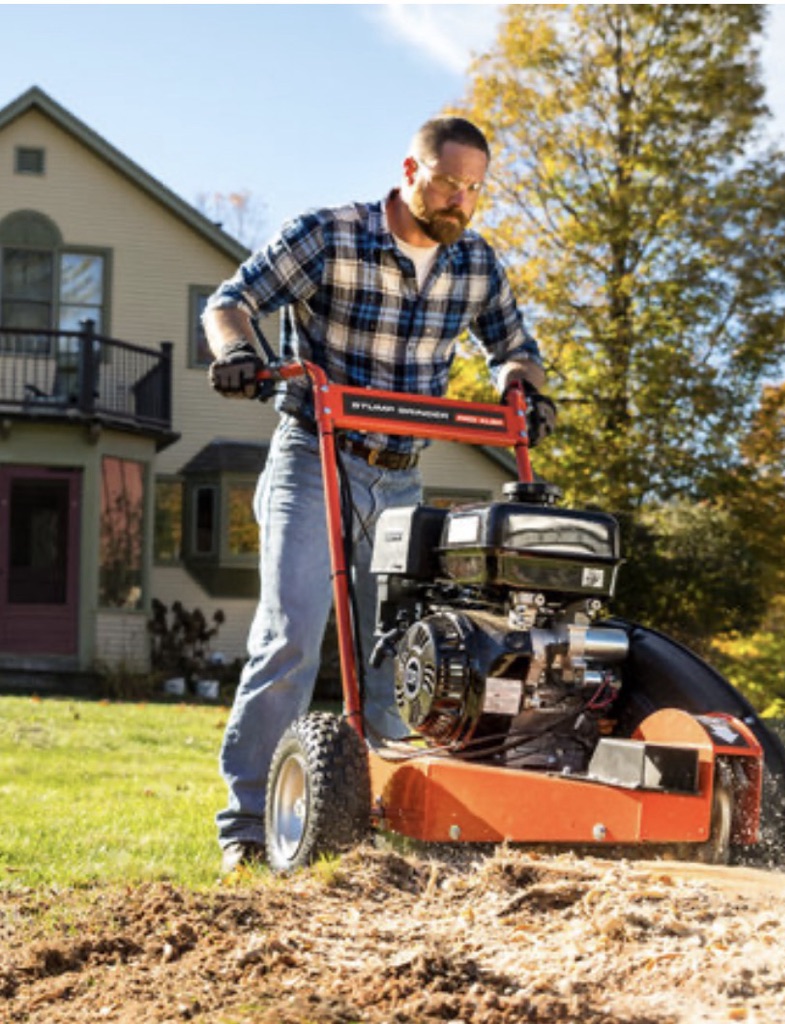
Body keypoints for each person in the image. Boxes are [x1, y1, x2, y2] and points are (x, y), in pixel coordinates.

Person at [203, 116, 557, 875]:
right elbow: (229, 302)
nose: (461, 201)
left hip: (401, 476)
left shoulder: (474, 264)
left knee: (398, 656)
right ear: (410, 169)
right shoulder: (328, 235)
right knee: (291, 638)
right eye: (448, 182)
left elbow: (513, 350)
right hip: (314, 457)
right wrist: (238, 351)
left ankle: (381, 820)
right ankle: (247, 827)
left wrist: (524, 388)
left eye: (474, 189)